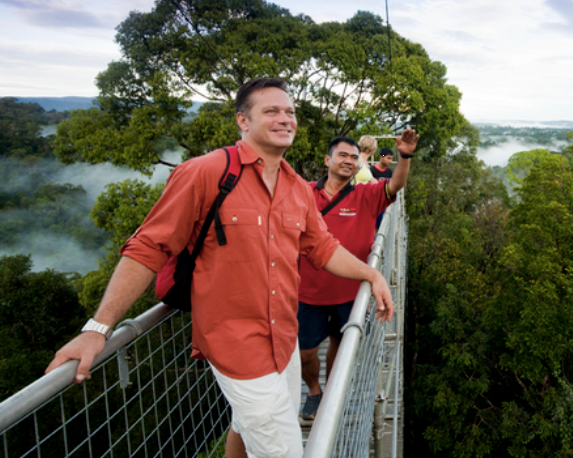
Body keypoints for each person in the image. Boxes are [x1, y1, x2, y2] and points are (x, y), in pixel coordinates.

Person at [45, 78, 395, 458]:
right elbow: (148, 247)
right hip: (237, 346)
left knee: (246, 426)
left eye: (290, 112)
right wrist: (98, 329)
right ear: (243, 121)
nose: (285, 119)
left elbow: (323, 247)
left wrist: (372, 274)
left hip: (284, 340)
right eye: (271, 111)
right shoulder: (208, 172)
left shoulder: (296, 187)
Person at [297, 130, 417, 420]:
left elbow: (397, 184)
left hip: (351, 292)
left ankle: (331, 391)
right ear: (328, 160)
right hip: (308, 292)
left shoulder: (367, 195)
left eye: (354, 157)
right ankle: (313, 390)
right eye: (342, 155)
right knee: (305, 352)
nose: (349, 161)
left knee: (341, 341)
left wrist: (405, 156)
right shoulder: (303, 194)